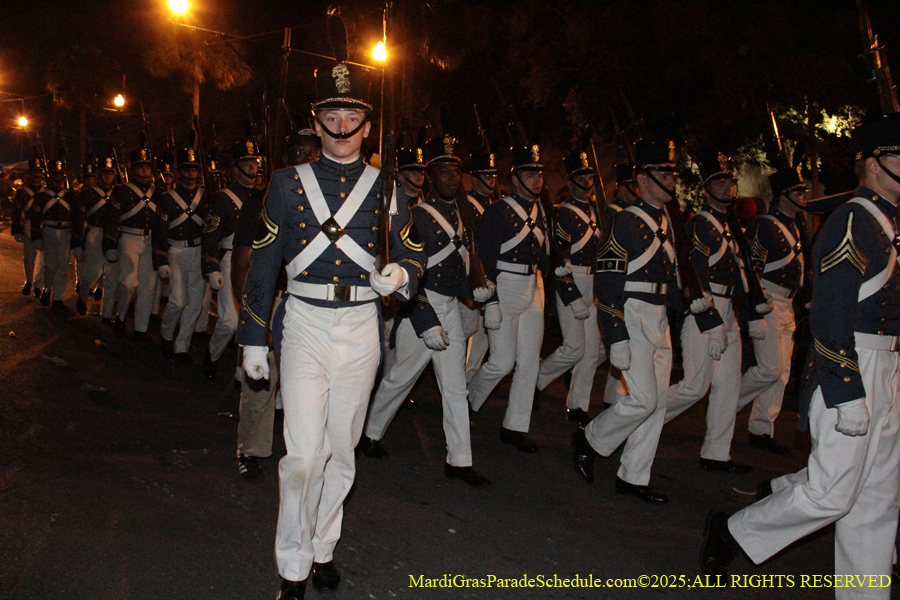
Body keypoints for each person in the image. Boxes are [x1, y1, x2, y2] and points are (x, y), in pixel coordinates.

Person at [235, 57, 423, 599]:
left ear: (368, 126)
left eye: (352, 118)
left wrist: (402, 275)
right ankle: (292, 566)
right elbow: (264, 264)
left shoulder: (388, 187)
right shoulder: (284, 184)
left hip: (362, 325)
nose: (342, 129)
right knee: (301, 455)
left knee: (341, 450)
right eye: (332, 118)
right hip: (305, 323)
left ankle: (323, 546)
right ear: (316, 124)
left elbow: (413, 252)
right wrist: (253, 338)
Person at [702, 113, 900, 600]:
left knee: (876, 500)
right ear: (874, 164)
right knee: (831, 494)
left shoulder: (889, 221)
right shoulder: (854, 220)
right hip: (852, 362)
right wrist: (846, 391)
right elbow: (831, 315)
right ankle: (733, 531)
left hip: (888, 364)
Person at [572, 140, 711, 503]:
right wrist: (615, 336)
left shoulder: (669, 221)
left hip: (658, 314)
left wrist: (696, 308)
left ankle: (634, 475)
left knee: (659, 402)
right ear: (643, 180)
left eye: (672, 173)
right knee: (644, 399)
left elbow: (670, 278)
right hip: (630, 312)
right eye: (663, 173)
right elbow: (607, 283)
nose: (671, 180)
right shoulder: (623, 221)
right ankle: (589, 438)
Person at [360, 135, 493, 486]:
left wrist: (475, 292)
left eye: (455, 171)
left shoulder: (461, 214)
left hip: (448, 307)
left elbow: (456, 268)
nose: (451, 177)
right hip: (420, 308)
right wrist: (425, 321)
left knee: (455, 387)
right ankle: (369, 432)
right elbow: (411, 271)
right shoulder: (416, 216)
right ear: (431, 176)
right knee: (400, 378)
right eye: (443, 171)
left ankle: (459, 461)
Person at [662, 151, 768, 474]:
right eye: (719, 182)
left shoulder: (729, 225)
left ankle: (716, 454)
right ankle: (640, 416)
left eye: (730, 181)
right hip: (705, 309)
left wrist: (752, 317)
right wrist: (711, 322)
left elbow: (742, 277)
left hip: (728, 308)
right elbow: (695, 276)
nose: (727, 187)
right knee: (695, 386)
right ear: (706, 189)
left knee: (729, 387)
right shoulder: (700, 224)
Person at [466, 143, 552, 453]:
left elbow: (542, 252)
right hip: (505, 285)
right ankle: (467, 401)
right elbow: (485, 260)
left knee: (529, 362)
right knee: (502, 362)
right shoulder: (498, 210)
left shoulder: (541, 210)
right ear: (515, 179)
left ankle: (515, 425)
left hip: (533, 286)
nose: (536, 180)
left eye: (538, 175)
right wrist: (490, 301)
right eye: (529, 175)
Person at [737, 167, 810, 454]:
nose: (804, 196)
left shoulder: (796, 225)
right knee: (770, 368)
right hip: (768, 300)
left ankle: (761, 429)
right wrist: (755, 307)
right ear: (783, 195)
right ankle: (727, 401)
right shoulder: (764, 226)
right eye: (798, 191)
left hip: (788, 303)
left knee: (782, 374)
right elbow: (751, 269)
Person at [536, 151, 605, 425]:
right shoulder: (563, 215)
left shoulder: (597, 212)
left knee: (591, 352)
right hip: (573, 281)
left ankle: (577, 405)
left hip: (594, 283)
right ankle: (535, 380)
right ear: (570, 180)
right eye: (581, 176)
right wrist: (571, 293)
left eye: (589, 176)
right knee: (574, 347)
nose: (586, 181)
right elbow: (558, 261)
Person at [201, 137, 264, 380]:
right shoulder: (223, 198)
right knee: (229, 321)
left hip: (257, 259)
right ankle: (212, 354)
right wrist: (211, 266)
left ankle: (241, 374)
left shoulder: (263, 196)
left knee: (250, 320)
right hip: (229, 258)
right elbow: (210, 234)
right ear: (236, 168)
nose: (251, 167)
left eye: (254, 161)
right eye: (246, 162)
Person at [153, 147, 209, 362]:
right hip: (176, 251)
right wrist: (160, 258)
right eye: (186, 169)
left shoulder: (206, 197)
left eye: (194, 169)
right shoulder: (168, 198)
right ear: (179, 172)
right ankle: (167, 335)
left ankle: (182, 346)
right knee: (177, 300)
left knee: (195, 304)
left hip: (199, 250)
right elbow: (159, 230)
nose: (190, 173)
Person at [107, 142, 160, 338]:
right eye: (140, 167)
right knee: (127, 283)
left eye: (147, 166)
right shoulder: (121, 191)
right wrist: (110, 243)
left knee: (148, 287)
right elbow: (111, 218)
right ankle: (121, 317)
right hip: (129, 237)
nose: (144, 170)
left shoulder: (158, 191)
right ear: (133, 169)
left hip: (152, 239)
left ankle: (141, 328)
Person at [461, 151, 497, 382]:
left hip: (490, 275)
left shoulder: (495, 205)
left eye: (493, 175)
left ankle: (467, 378)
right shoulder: (466, 204)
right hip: (470, 275)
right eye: (486, 175)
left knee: (484, 333)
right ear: (474, 179)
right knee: (468, 326)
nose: (491, 180)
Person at [28, 149, 77, 313]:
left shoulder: (70, 196)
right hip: (49, 231)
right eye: (55, 175)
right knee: (50, 265)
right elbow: (35, 218)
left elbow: (77, 218)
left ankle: (57, 298)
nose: (58, 178)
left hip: (66, 232)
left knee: (63, 267)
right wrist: (36, 237)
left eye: (60, 175)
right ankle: (47, 289)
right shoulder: (42, 197)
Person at [73, 150, 119, 319]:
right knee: (91, 272)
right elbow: (79, 219)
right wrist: (77, 242)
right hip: (95, 232)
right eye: (105, 173)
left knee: (112, 276)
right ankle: (83, 296)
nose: (108, 177)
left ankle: (106, 314)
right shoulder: (87, 193)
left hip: (114, 234)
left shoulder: (119, 192)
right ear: (99, 175)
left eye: (111, 173)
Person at [11, 152, 46, 298]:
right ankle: (29, 281)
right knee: (29, 256)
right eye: (34, 172)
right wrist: (17, 230)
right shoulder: (22, 193)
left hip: (44, 225)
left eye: (39, 172)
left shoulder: (46, 192)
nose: (37, 175)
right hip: (29, 225)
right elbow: (16, 212)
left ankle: (39, 285)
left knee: (42, 258)